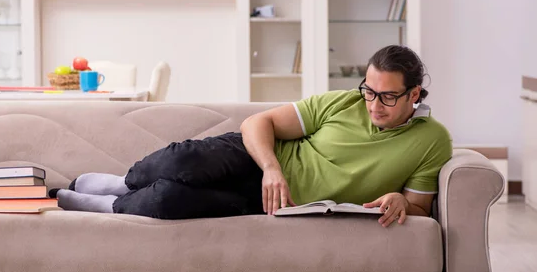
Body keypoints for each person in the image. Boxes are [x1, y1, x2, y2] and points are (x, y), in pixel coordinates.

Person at [52, 45, 452, 228]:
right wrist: (272, 167)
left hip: (276, 204)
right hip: (258, 158)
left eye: (387, 96)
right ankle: (122, 183)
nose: (373, 104)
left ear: (414, 94)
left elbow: (418, 208)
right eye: (369, 90)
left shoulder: (431, 140)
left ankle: (110, 206)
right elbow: (258, 123)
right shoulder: (343, 102)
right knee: (181, 162)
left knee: (169, 199)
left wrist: (401, 199)